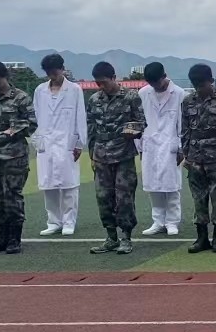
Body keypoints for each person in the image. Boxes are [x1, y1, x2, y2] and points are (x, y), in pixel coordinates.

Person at [86, 62, 145, 254]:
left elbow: (141, 123)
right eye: (98, 83)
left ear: (113, 78)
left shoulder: (131, 97)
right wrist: (92, 155)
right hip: (101, 156)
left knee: (124, 199)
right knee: (103, 198)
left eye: (104, 82)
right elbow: (91, 128)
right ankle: (111, 237)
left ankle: (126, 237)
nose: (101, 86)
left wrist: (132, 132)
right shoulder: (94, 100)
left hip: (123, 156)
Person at [181, 64, 216, 254]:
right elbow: (185, 130)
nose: (199, 88)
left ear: (211, 81)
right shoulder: (188, 101)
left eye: (202, 84)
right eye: (195, 85)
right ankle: (202, 237)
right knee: (199, 199)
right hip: (195, 157)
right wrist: (186, 154)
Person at [0, 61, 37, 254]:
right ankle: (2, 237)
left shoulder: (21, 98)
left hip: (13, 156)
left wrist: (10, 132)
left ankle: (15, 238)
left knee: (12, 197)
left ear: (4, 76)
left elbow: (32, 124)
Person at [32, 54, 87, 236]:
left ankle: (69, 221)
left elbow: (80, 117)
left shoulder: (74, 90)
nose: (52, 76)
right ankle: (53, 222)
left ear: (62, 69)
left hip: (67, 143)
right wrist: (37, 140)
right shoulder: (40, 90)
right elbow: (35, 117)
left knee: (69, 185)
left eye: (54, 72)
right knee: (48, 186)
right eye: (49, 73)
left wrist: (79, 143)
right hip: (46, 144)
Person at [138, 62, 185, 236]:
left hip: (170, 145)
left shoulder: (179, 94)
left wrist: (181, 147)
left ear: (164, 76)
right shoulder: (143, 93)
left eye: (157, 82)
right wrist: (140, 146)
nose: (155, 86)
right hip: (150, 145)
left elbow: (182, 123)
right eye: (151, 83)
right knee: (153, 186)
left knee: (171, 187)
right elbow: (140, 120)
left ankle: (172, 222)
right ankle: (158, 221)